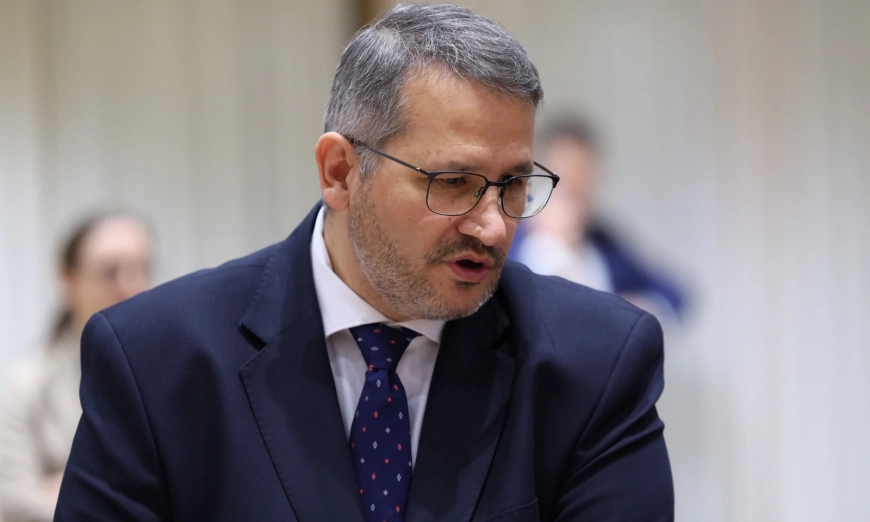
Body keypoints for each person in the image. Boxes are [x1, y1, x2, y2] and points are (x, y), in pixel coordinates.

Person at [55, 4, 673, 521]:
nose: (492, 225)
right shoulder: (155, 360)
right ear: (340, 172)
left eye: (512, 185)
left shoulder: (597, 363)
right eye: (453, 182)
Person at [0, 211, 152, 522]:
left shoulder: (173, 376)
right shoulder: (28, 386)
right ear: (68, 281)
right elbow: (12, 503)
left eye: (141, 269)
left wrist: (73, 490)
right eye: (110, 271)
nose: (129, 285)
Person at [513, 116, 687, 321]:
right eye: (566, 184)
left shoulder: (605, 242)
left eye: (584, 184)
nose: (575, 202)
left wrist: (630, 310)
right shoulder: (509, 244)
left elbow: (672, 294)